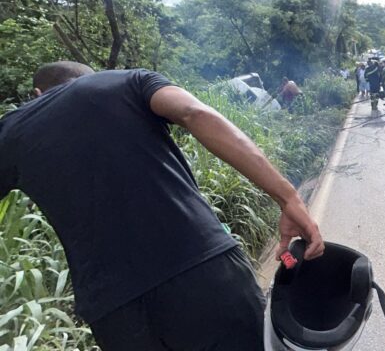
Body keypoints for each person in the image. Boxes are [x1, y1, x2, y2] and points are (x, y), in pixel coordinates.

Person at [0, 61, 324, 350]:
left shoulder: (12, 130)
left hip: (116, 312)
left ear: (37, 93)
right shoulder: (125, 81)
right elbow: (195, 113)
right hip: (204, 273)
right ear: (90, 77)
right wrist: (288, 197)